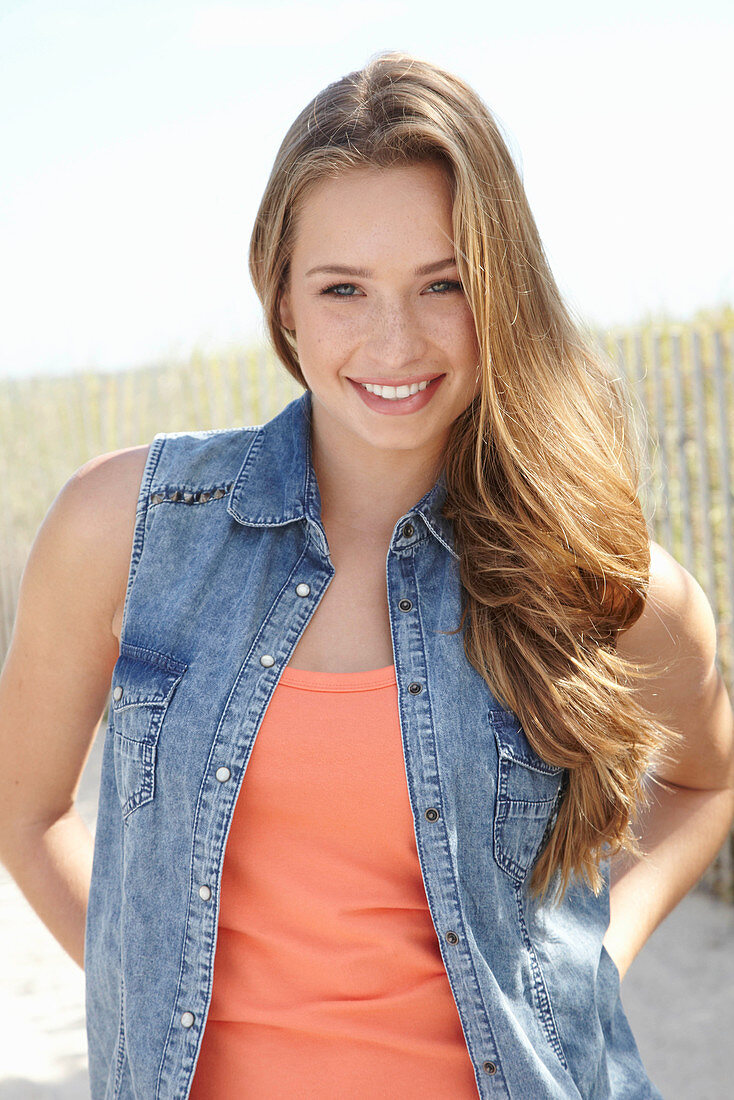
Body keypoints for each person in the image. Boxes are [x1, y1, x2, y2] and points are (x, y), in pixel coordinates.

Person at [1, 50, 733, 1100]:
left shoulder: (601, 581)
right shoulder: (123, 528)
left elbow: (702, 780)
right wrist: (156, 992)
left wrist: (588, 959)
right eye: (343, 287)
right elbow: (22, 810)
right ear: (283, 301)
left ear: (503, 292)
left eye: (444, 283)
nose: (394, 340)